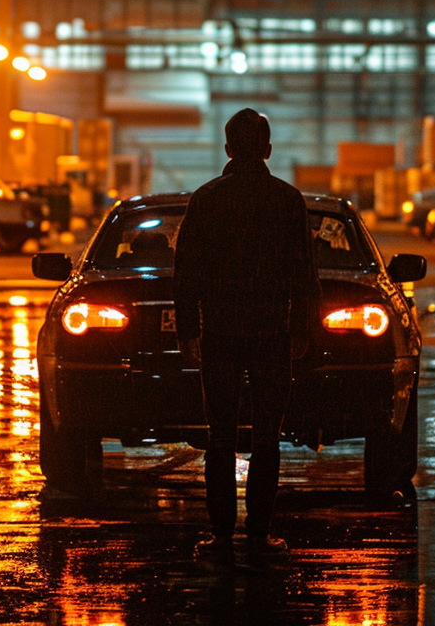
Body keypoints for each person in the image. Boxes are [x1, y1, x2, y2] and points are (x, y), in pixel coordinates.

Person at [173, 108, 321, 568]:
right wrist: (301, 330)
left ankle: (220, 536)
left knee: (219, 436)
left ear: (227, 149)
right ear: (268, 150)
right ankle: (259, 533)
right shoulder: (287, 200)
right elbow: (304, 274)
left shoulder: (206, 199)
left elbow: (186, 274)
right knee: (266, 438)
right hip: (271, 333)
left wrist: (188, 329)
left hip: (220, 332)